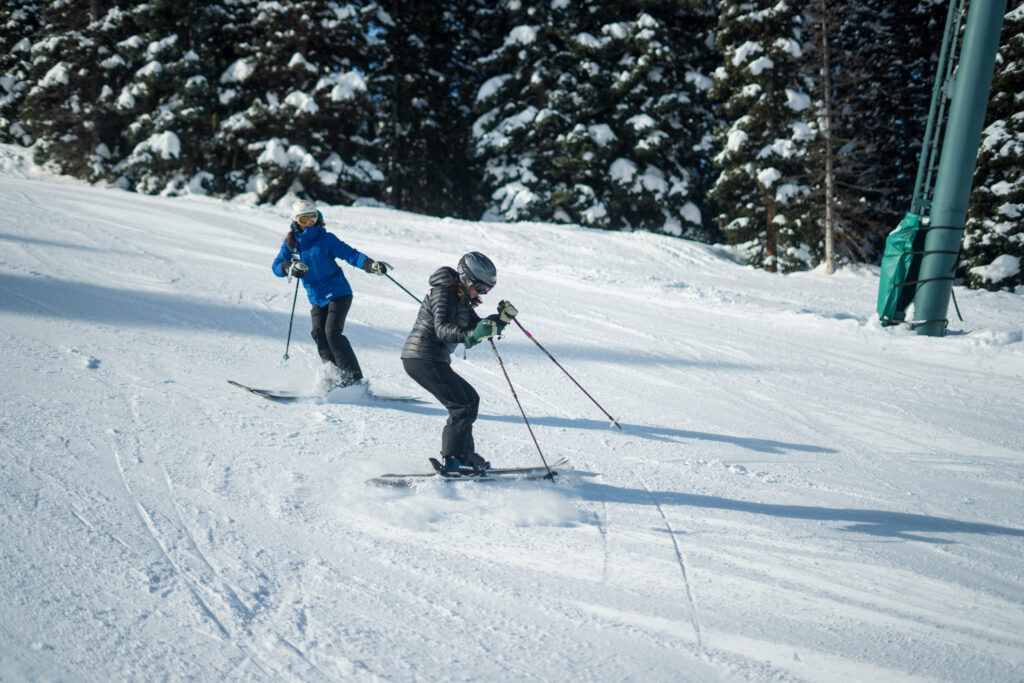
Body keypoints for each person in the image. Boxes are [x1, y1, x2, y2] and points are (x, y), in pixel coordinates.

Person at [400, 252, 518, 473]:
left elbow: (477, 327)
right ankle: (453, 460)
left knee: (470, 400)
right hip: (421, 357)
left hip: (433, 358)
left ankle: (465, 454)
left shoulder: (461, 299)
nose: (482, 292)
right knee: (461, 406)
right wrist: (470, 336)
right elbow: (443, 329)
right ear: (466, 278)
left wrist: (500, 321)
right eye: (481, 288)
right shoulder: (442, 293)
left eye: (487, 290)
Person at [272, 199, 389, 388]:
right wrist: (290, 268)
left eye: (313, 218)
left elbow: (351, 254)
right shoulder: (291, 245)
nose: (309, 223)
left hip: (338, 293)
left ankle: (354, 380)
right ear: (296, 222)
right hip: (317, 298)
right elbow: (276, 266)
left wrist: (369, 264)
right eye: (304, 219)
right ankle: (334, 375)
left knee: (332, 333)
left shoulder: (326, 239)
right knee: (318, 333)